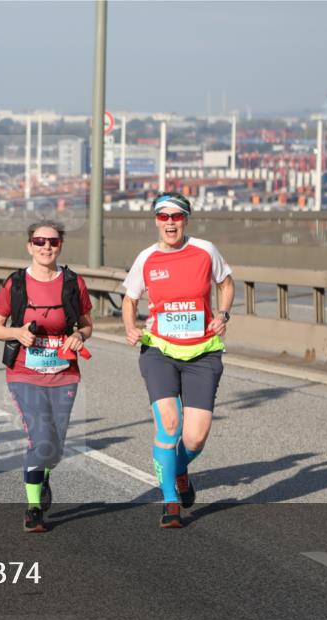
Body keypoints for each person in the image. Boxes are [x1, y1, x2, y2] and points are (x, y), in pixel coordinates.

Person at [121, 192, 234, 529]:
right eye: (163, 217)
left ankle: (179, 468)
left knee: (195, 437)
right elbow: (129, 300)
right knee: (169, 425)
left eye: (176, 216)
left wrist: (224, 313)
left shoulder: (205, 251)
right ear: (156, 220)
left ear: (187, 219)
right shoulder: (147, 258)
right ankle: (170, 501)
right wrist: (130, 327)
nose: (170, 223)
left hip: (202, 351)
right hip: (159, 350)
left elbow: (226, 284)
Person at [0, 222, 94, 533]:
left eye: (52, 241)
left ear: (60, 245)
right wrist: (17, 333)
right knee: (41, 439)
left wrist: (79, 337)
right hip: (24, 372)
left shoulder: (73, 283)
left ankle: (44, 474)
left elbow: (87, 325)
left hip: (64, 373)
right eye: (39, 241)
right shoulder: (16, 283)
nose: (46, 247)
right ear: (29, 246)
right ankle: (33, 509)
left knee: (55, 448)